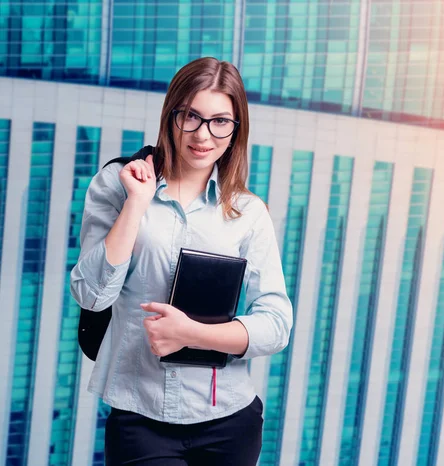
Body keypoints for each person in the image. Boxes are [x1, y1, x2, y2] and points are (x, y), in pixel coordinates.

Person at [70, 57, 293, 465]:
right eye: (191, 116)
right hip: (141, 415)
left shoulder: (247, 212)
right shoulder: (118, 185)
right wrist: (136, 205)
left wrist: (192, 333)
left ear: (236, 129)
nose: (203, 135)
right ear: (171, 114)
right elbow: (91, 294)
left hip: (230, 418)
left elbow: (276, 323)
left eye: (220, 121)